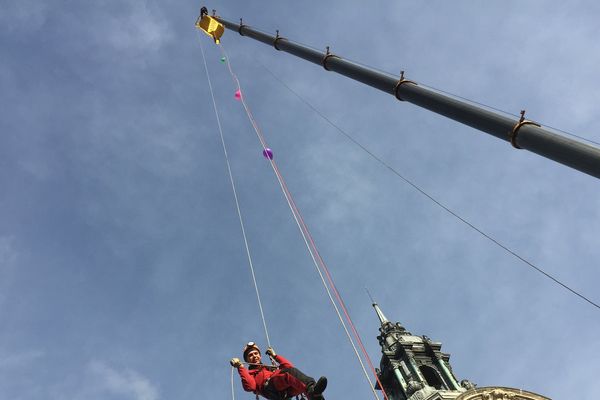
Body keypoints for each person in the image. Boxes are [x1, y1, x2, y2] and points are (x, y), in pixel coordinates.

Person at [230, 342, 327, 400]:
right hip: (271, 389)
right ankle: (312, 392)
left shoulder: (269, 368)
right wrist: (241, 367)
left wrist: (275, 356)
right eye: (250, 355)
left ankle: (315, 395)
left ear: (260, 355)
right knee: (288, 374)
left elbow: (289, 366)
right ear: (247, 360)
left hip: (285, 392)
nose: (254, 356)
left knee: (295, 378)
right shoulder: (250, 374)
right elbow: (250, 387)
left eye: (256, 353)